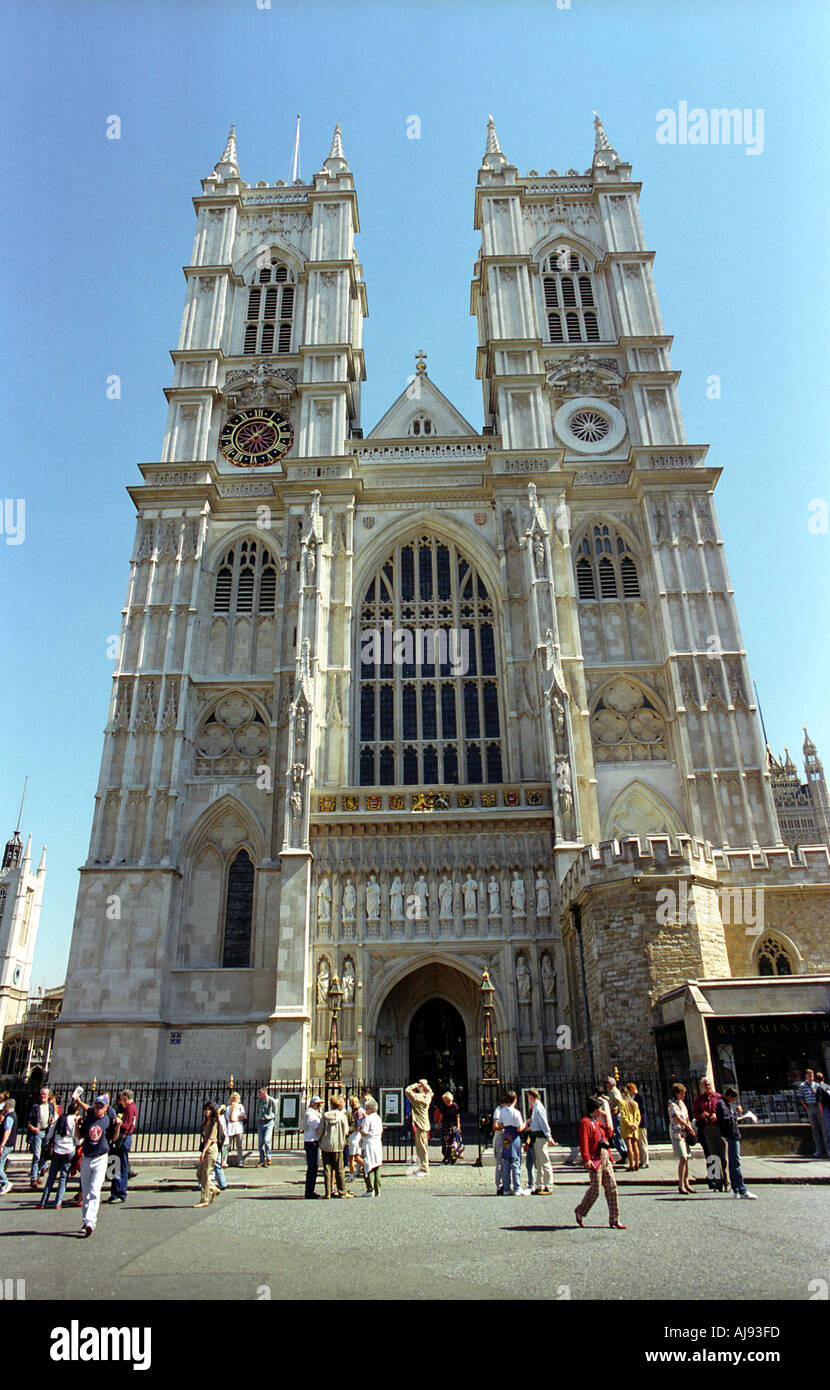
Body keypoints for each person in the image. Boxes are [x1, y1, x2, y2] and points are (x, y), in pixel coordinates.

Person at [574, 1097, 625, 1230]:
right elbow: (583, 1142)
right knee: (595, 1189)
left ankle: (615, 1218)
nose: (601, 1111)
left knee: (612, 1186)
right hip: (594, 1158)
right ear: (594, 1109)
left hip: (605, 1156)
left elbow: (609, 1133)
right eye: (599, 1108)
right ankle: (580, 1210)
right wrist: (586, 1159)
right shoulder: (585, 1122)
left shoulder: (597, 1121)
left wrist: (607, 1120)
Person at [78, 1095, 117, 1236]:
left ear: (106, 1108)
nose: (99, 1108)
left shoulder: (108, 1121)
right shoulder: (89, 1119)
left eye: (101, 1106)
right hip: (87, 1157)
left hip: (101, 1157)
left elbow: (113, 1138)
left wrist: (118, 1125)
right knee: (86, 1191)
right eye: (97, 1105)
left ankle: (90, 1221)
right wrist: (77, 1124)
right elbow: (79, 1136)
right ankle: (86, 1220)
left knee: (94, 1190)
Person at [716, 1087, 757, 1199]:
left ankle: (736, 1189)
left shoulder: (723, 1104)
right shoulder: (721, 1104)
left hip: (731, 1134)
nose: (733, 1102)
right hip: (730, 1135)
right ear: (729, 1096)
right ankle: (741, 1189)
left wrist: (735, 1115)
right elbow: (725, 1120)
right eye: (733, 1099)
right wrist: (736, 1113)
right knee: (735, 1163)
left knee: (734, 1163)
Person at [39, 1101, 79, 1210]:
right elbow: (77, 1140)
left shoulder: (60, 1119)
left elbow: (49, 1135)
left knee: (51, 1177)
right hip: (69, 1150)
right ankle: (58, 1202)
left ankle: (43, 1202)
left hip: (57, 1150)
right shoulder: (74, 1121)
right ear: (76, 1111)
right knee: (63, 1177)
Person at [693, 1079, 728, 1192]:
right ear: (702, 1087)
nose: (708, 1087)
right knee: (713, 1156)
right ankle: (717, 1183)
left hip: (719, 1128)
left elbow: (726, 1111)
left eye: (709, 1085)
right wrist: (702, 1115)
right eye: (705, 1085)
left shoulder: (719, 1098)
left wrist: (717, 1116)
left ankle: (726, 1182)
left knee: (723, 1157)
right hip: (707, 1128)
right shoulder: (699, 1100)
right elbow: (695, 1113)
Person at [319, 1095, 353, 1198]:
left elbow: (320, 1130)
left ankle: (328, 1192)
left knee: (327, 1169)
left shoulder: (325, 1115)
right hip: (338, 1144)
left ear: (331, 1104)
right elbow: (346, 1131)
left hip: (326, 1144)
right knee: (340, 1169)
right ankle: (342, 1192)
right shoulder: (342, 1116)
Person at [108, 1089, 138, 1203]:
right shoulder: (130, 1108)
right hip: (122, 1138)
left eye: (121, 1099)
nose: (120, 1102)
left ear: (125, 1098)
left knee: (121, 1166)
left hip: (123, 1138)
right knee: (116, 1164)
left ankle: (120, 1193)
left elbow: (127, 1125)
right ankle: (115, 1192)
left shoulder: (130, 1109)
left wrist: (118, 1121)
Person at [668, 1083, 697, 1195]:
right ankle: (681, 1185)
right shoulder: (671, 1103)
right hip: (677, 1133)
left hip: (685, 1134)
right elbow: (676, 1118)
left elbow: (686, 1117)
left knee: (687, 1159)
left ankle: (686, 1183)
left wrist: (690, 1128)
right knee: (683, 1158)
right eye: (682, 1093)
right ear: (676, 1093)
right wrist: (688, 1126)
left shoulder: (682, 1104)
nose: (684, 1095)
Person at [26, 1087, 57, 1190]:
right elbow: (29, 1121)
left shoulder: (51, 1106)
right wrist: (33, 1129)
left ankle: (39, 1173)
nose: (43, 1096)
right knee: (36, 1155)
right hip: (38, 1132)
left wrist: (52, 1121)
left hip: (47, 1132)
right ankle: (33, 1178)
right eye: (42, 1094)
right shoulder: (35, 1106)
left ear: (48, 1096)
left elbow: (52, 1117)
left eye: (45, 1094)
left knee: (44, 1155)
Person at [494, 1090, 524, 1196]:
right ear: (515, 1100)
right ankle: (517, 1187)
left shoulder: (502, 1111)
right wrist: (526, 1124)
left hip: (506, 1135)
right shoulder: (516, 1112)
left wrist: (507, 1124)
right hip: (514, 1135)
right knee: (515, 1161)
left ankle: (506, 1188)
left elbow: (500, 1124)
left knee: (506, 1161)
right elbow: (520, 1128)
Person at [525, 1088, 554, 1194]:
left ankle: (548, 1185)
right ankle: (540, 1184)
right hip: (536, 1137)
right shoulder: (535, 1107)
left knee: (545, 1161)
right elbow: (536, 1123)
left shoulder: (539, 1108)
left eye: (528, 1098)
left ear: (531, 1097)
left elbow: (543, 1123)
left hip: (540, 1137)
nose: (528, 1100)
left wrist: (548, 1136)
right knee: (539, 1162)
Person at [405, 1079, 434, 1179]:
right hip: (424, 1125)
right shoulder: (427, 1097)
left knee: (422, 1148)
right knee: (420, 1147)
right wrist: (425, 1085)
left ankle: (425, 1168)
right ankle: (421, 1166)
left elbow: (407, 1090)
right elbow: (430, 1092)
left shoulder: (417, 1098)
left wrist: (415, 1085)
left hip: (420, 1125)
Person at [797, 1069, 830, 1158]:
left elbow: (820, 1095)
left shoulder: (816, 1085)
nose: (811, 1077)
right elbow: (800, 1097)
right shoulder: (802, 1086)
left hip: (819, 1107)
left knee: (824, 1129)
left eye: (812, 1076)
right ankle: (818, 1150)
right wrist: (807, 1108)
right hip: (810, 1107)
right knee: (815, 1130)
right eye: (809, 1076)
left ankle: (828, 1150)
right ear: (806, 1076)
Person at [195, 1101, 220, 1208]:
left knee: (205, 1174)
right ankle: (214, 1189)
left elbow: (210, 1139)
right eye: (205, 1109)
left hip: (211, 1149)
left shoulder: (214, 1123)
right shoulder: (206, 1122)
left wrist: (203, 1152)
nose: (207, 1112)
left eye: (209, 1110)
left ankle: (204, 1199)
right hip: (206, 1148)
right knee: (199, 1174)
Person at [360, 1098, 383, 1197]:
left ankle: (370, 1189)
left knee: (368, 1165)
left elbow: (364, 1131)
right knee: (377, 1165)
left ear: (369, 1108)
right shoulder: (378, 1118)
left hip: (369, 1142)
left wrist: (359, 1129)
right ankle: (378, 1189)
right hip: (377, 1142)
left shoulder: (367, 1118)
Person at [303, 1095, 323, 1199]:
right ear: (312, 1104)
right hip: (312, 1142)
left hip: (310, 1141)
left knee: (313, 1168)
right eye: (318, 1104)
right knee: (312, 1168)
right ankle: (309, 1192)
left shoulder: (310, 1113)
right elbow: (318, 1127)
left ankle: (310, 1190)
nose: (319, 1105)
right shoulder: (311, 1115)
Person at [605, 1076, 628, 1163]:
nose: (606, 1084)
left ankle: (624, 1152)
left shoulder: (615, 1091)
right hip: (613, 1113)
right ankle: (623, 1152)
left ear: (612, 1084)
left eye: (608, 1082)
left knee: (617, 1134)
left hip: (615, 1114)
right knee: (616, 1133)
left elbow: (620, 1101)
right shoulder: (611, 1091)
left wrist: (617, 1111)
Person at [619, 1085, 641, 1172]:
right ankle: (637, 1164)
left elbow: (623, 1115)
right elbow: (638, 1116)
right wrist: (635, 1124)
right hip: (634, 1127)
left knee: (629, 1146)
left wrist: (629, 1124)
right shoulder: (634, 1103)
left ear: (624, 1094)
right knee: (635, 1146)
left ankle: (631, 1165)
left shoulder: (622, 1103)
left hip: (626, 1126)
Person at [255, 1087, 278, 1167]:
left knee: (266, 1140)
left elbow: (275, 1111)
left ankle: (269, 1158)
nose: (259, 1095)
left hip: (269, 1121)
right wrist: (258, 1117)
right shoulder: (259, 1100)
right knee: (260, 1142)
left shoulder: (271, 1100)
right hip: (261, 1122)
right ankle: (261, 1161)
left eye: (260, 1093)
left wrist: (273, 1119)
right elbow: (257, 1109)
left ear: (264, 1092)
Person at [0, 1099, 18, 1195]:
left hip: (6, 1145)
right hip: (9, 1144)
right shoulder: (12, 1115)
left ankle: (5, 1182)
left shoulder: (9, 1117)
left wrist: (2, 1145)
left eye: (4, 1106)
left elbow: (7, 1131)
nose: (3, 1108)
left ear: (7, 1106)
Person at [438, 1091, 461, 1164]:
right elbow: (441, 1115)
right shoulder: (443, 1106)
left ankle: (452, 1156)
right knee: (445, 1141)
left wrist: (458, 1125)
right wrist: (439, 1123)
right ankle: (446, 1156)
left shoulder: (455, 1106)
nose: (444, 1101)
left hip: (452, 1125)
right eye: (444, 1100)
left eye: (445, 1099)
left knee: (452, 1141)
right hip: (445, 1125)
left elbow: (457, 1116)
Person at [346, 1096, 366, 1181]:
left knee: (352, 1157)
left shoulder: (359, 1112)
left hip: (354, 1135)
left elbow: (359, 1125)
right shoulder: (357, 1111)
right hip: (356, 1135)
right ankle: (368, 1168)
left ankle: (351, 1175)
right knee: (356, 1157)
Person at [631, 1081, 649, 1168]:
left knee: (643, 1143)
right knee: (638, 1143)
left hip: (641, 1122)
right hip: (636, 1123)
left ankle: (645, 1161)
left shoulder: (639, 1097)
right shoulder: (633, 1097)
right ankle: (641, 1160)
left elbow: (642, 1109)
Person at [226, 1091, 247, 1166]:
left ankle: (241, 1161)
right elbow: (230, 1118)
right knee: (228, 1145)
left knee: (239, 1145)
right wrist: (233, 1109)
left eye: (236, 1098)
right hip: (230, 1128)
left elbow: (244, 1116)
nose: (235, 1100)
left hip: (238, 1128)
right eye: (233, 1098)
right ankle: (224, 1160)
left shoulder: (241, 1106)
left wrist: (237, 1119)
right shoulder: (228, 1108)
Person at [815, 1072, 830, 1153]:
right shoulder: (827, 1086)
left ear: (816, 1080)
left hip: (825, 1109)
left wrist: (821, 1112)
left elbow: (819, 1101)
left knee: (828, 1129)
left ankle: (829, 1150)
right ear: (823, 1079)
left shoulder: (819, 1088)